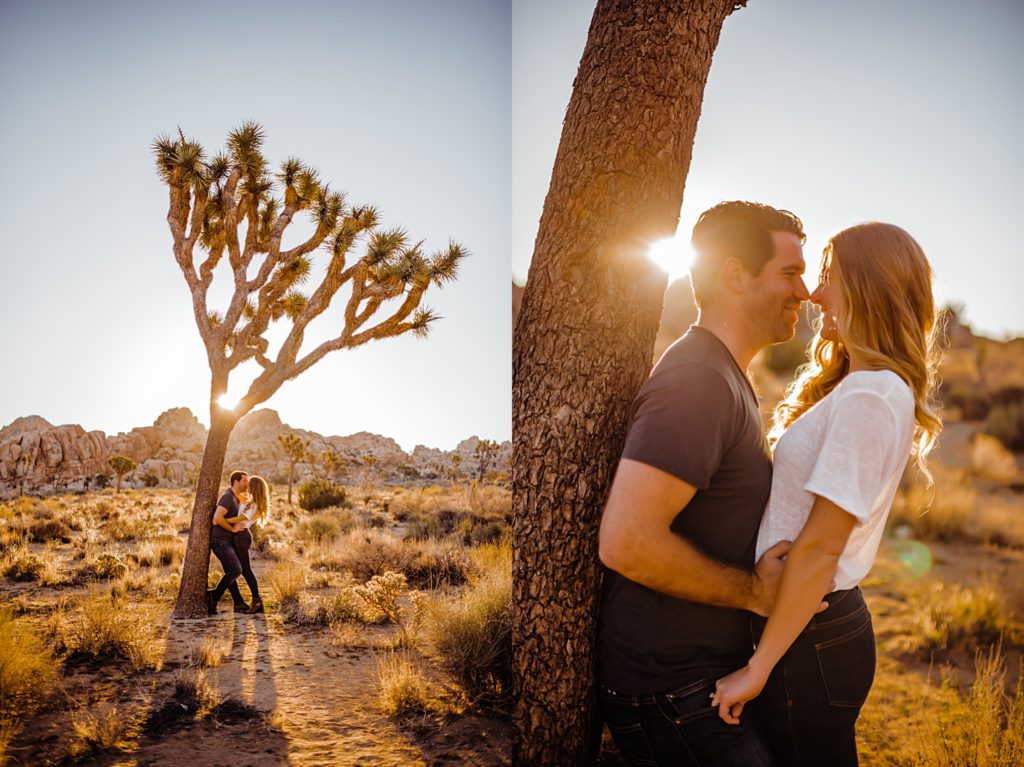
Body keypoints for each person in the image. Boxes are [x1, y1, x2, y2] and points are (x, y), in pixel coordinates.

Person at [712, 222, 941, 766]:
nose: (815, 295)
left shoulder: (871, 395)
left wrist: (758, 668)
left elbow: (820, 547)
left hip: (808, 634)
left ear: (870, 288)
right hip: (810, 626)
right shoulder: (866, 386)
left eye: (830, 278)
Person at [597, 201, 816, 766]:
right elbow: (626, 541)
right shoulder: (698, 380)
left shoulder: (724, 373)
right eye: (790, 273)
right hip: (670, 692)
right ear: (736, 275)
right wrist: (753, 592)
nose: (806, 292)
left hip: (696, 684)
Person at [221, 474, 269, 614]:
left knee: (245, 570)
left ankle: (257, 601)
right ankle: (240, 602)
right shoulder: (250, 502)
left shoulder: (255, 505)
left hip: (242, 537)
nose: (246, 486)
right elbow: (235, 495)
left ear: (254, 488)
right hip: (239, 536)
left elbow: (240, 518)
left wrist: (221, 519)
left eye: (249, 484)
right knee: (235, 569)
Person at [207, 470, 252, 615]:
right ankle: (213, 596)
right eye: (245, 481)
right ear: (236, 482)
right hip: (219, 541)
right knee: (236, 570)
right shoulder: (228, 497)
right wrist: (232, 529)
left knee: (230, 571)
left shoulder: (235, 498)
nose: (247, 484)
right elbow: (217, 518)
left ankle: (238, 603)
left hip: (225, 541)